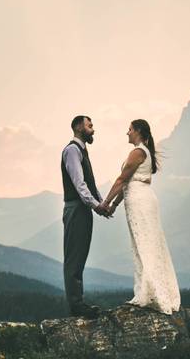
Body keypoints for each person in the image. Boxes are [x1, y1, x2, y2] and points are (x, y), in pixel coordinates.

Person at [98, 119, 180, 314]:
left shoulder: (137, 152)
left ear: (138, 132)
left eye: (129, 130)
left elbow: (122, 179)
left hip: (140, 200)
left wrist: (106, 202)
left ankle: (150, 293)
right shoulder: (144, 152)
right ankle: (148, 290)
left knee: (145, 243)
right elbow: (127, 183)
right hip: (139, 198)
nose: (127, 133)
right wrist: (116, 204)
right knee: (143, 243)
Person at [61, 115, 112, 317]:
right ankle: (76, 305)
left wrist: (102, 204)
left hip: (83, 209)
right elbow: (79, 184)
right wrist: (97, 206)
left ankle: (78, 302)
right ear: (78, 127)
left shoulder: (82, 151)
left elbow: (90, 184)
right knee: (74, 257)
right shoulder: (72, 150)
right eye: (90, 125)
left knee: (80, 255)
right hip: (76, 208)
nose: (93, 129)